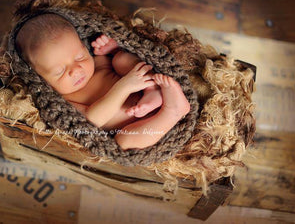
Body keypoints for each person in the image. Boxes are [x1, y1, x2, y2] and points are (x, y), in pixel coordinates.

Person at [15, 13, 190, 150]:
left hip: (145, 89)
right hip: (143, 126)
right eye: (60, 71)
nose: (76, 70)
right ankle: (172, 112)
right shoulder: (64, 102)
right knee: (124, 141)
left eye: (79, 56)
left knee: (120, 61)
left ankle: (153, 91)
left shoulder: (97, 64)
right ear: (40, 79)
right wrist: (124, 87)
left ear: (84, 47)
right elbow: (93, 120)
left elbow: (124, 58)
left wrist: (113, 49)